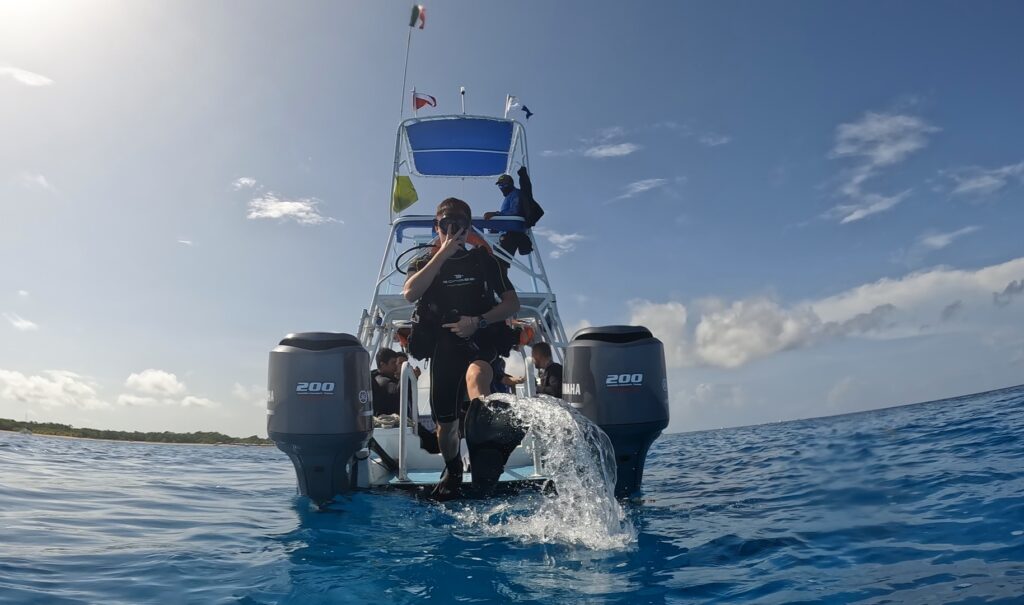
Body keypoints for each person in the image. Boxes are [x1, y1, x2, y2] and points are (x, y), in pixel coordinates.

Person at [403, 197, 522, 499]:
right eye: (446, 225)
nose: (453, 231)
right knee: (446, 426)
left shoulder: (484, 261)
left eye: (460, 226)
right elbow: (410, 293)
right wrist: (442, 254)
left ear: (470, 229)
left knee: (477, 374)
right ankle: (453, 467)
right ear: (437, 226)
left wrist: (479, 322)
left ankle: (487, 440)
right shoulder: (422, 264)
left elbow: (512, 303)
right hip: (444, 349)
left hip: (479, 339)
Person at [484, 173, 533, 259]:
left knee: (473, 224)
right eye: (500, 185)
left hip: (513, 229)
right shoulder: (509, 196)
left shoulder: (516, 194)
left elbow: (515, 211)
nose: (502, 187)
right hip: (506, 230)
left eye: (504, 184)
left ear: (510, 183)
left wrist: (496, 214)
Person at [371, 348, 401, 416]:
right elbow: (396, 391)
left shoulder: (392, 378)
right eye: (393, 363)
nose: (396, 366)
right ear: (382, 365)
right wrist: (404, 378)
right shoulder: (380, 381)